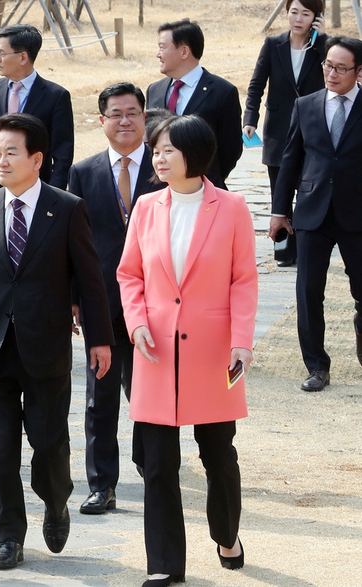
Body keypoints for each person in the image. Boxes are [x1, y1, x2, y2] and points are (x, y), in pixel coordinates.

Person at [0, 113, 113, 570]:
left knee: (49, 443)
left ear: (36, 159)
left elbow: (90, 280)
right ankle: (7, 537)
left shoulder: (66, 207)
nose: (0, 160)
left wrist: (101, 339)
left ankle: (57, 502)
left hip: (47, 347)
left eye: (10, 152)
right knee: (1, 446)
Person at [117, 114, 257, 587]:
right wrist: (135, 323)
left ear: (194, 155)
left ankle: (226, 534)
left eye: (168, 150)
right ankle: (163, 564)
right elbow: (129, 274)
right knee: (157, 463)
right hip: (154, 350)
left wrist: (241, 341)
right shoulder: (146, 207)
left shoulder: (233, 207)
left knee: (217, 454)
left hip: (215, 352)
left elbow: (243, 279)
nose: (157, 157)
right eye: (155, 150)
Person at [68, 82, 166, 516]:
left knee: (149, 390)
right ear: (102, 120)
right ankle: (101, 483)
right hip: (101, 299)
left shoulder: (165, 167)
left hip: (157, 300)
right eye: (115, 114)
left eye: (133, 113)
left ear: (145, 118)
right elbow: (73, 240)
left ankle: (153, 469)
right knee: (100, 395)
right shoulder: (83, 172)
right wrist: (73, 295)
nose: (124, 121)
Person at [270, 36, 362, 392]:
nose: (332, 73)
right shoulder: (306, 105)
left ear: (358, 72)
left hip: (357, 213)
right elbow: (290, 160)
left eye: (341, 68)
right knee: (308, 292)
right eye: (328, 65)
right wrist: (280, 211)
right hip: (312, 212)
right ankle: (317, 367)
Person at [245, 0, 327, 268]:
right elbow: (257, 83)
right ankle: (282, 251)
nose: (298, 18)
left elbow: (334, 70)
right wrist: (250, 119)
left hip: (312, 130)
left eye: (306, 13)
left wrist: (322, 38)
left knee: (308, 193)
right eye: (294, 12)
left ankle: (306, 248)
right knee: (278, 193)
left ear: (316, 17)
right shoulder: (273, 44)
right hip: (278, 130)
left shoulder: (320, 47)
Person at [146, 19, 242, 190]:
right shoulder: (155, 90)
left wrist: (204, 175)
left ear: (184, 52)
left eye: (162, 47)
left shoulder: (222, 92)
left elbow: (231, 149)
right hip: (161, 190)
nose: (158, 54)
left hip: (205, 189)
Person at [0, 24, 73, 189]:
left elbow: (62, 155)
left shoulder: (56, 96)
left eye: (1, 53)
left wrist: (54, 195)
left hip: (36, 189)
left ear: (23, 57)